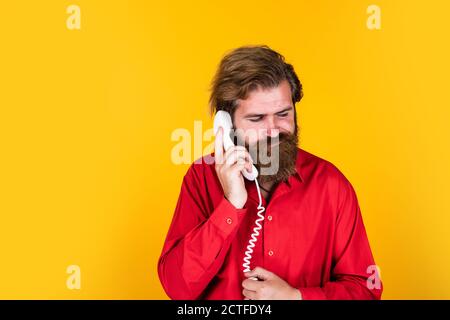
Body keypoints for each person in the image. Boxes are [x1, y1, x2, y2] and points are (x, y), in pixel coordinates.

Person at [158, 45, 382, 300]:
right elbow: (178, 288)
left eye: (283, 114)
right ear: (227, 124)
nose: (274, 130)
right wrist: (230, 206)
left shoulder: (330, 184)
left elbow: (367, 291)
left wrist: (297, 297)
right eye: (257, 119)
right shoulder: (200, 178)